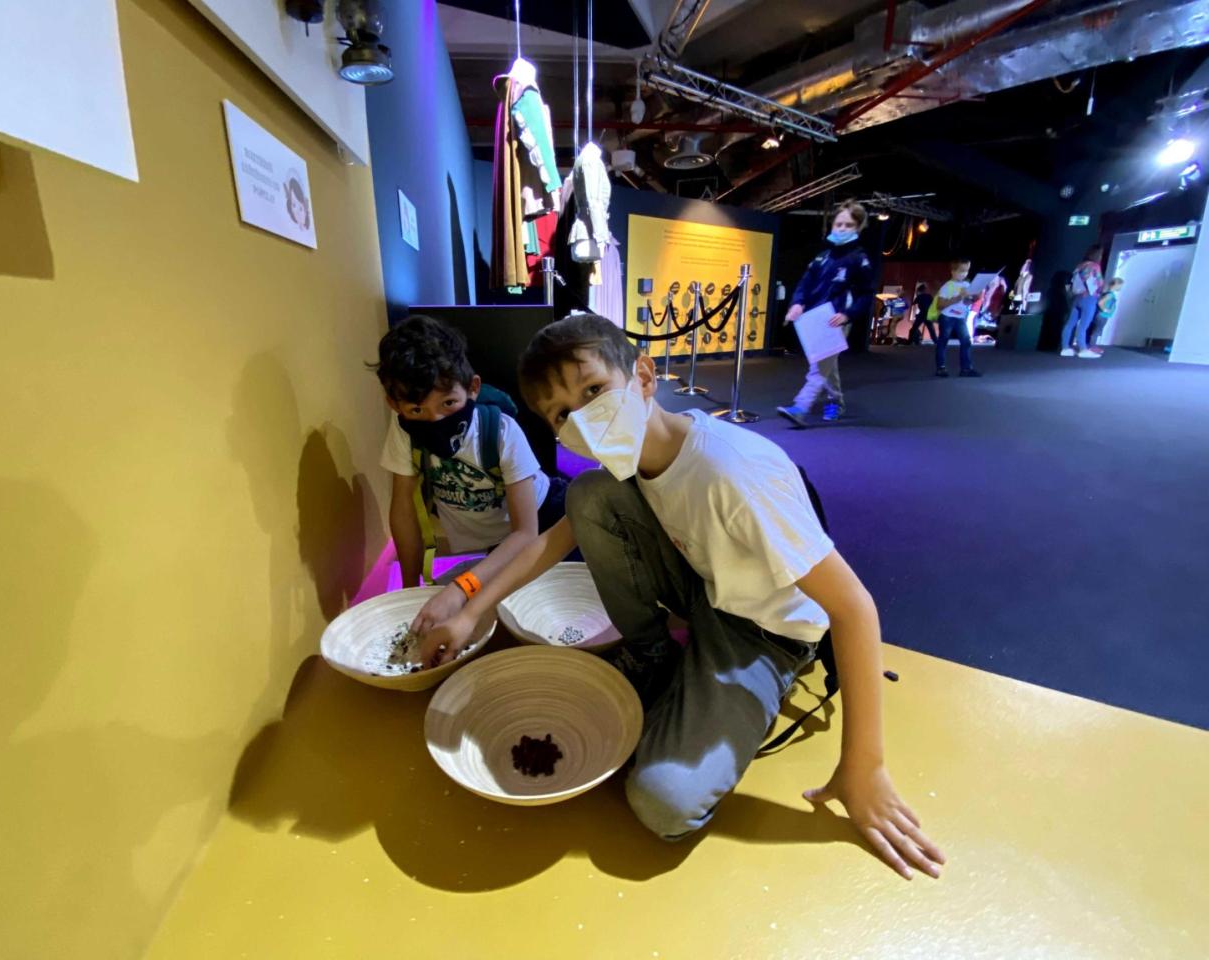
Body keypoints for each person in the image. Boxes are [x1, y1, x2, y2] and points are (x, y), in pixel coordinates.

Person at [422, 313, 947, 882]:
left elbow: (853, 607)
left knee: (662, 803)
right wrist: (469, 611)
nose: (583, 419)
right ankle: (653, 657)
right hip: (705, 587)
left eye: (594, 390)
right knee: (589, 496)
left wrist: (864, 767)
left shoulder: (732, 474)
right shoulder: (633, 460)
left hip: (764, 634)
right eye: (562, 414)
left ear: (644, 376)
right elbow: (552, 541)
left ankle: (709, 689)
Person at [372, 315, 566, 631]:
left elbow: (526, 533)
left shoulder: (501, 431)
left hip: (547, 518)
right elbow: (404, 512)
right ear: (394, 404)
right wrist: (409, 592)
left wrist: (461, 588)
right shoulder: (405, 432)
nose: (435, 420)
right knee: (492, 611)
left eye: (448, 403)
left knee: (549, 608)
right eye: (417, 410)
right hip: (502, 541)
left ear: (472, 388)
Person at [776, 201, 874, 425]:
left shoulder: (859, 259)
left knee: (820, 365)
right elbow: (805, 283)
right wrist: (797, 304)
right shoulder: (823, 257)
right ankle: (836, 402)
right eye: (838, 224)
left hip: (836, 319)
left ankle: (801, 407)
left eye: (848, 225)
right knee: (828, 364)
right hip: (814, 319)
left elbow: (866, 294)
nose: (842, 228)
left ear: (858, 228)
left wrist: (848, 314)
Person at [934, 259, 982, 378]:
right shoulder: (947, 286)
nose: (964, 274)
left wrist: (975, 297)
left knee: (966, 341)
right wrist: (957, 298)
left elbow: (966, 303)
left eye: (966, 271)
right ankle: (941, 368)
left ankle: (966, 369)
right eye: (961, 271)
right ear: (953, 271)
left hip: (960, 317)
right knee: (943, 341)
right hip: (947, 317)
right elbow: (939, 305)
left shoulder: (967, 285)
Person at [1061, 245, 1104, 359]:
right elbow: (1099, 283)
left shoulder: (1079, 266)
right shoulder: (1095, 266)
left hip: (1076, 297)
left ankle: (1065, 348)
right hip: (1089, 298)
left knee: (1070, 324)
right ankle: (1083, 349)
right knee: (1084, 325)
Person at [1089, 277, 1124, 350]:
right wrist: (1105, 310)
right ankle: (1092, 347)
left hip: (1102, 315)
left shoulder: (1108, 293)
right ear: (1116, 285)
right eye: (1120, 286)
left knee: (1097, 330)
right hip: (1102, 315)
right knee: (1097, 331)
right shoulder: (1110, 295)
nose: (1121, 288)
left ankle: (1092, 346)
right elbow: (1100, 303)